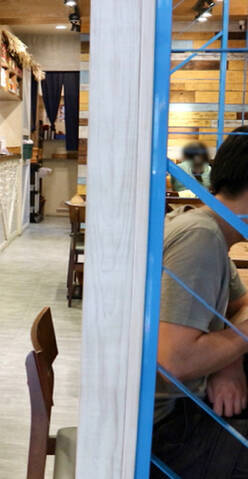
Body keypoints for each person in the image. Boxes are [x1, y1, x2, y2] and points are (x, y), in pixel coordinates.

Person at [152, 127, 248, 478]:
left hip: (183, 409)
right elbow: (176, 361)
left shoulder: (211, 229)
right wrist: (238, 342)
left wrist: (228, 361)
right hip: (164, 432)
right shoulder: (200, 237)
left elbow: (241, 304)